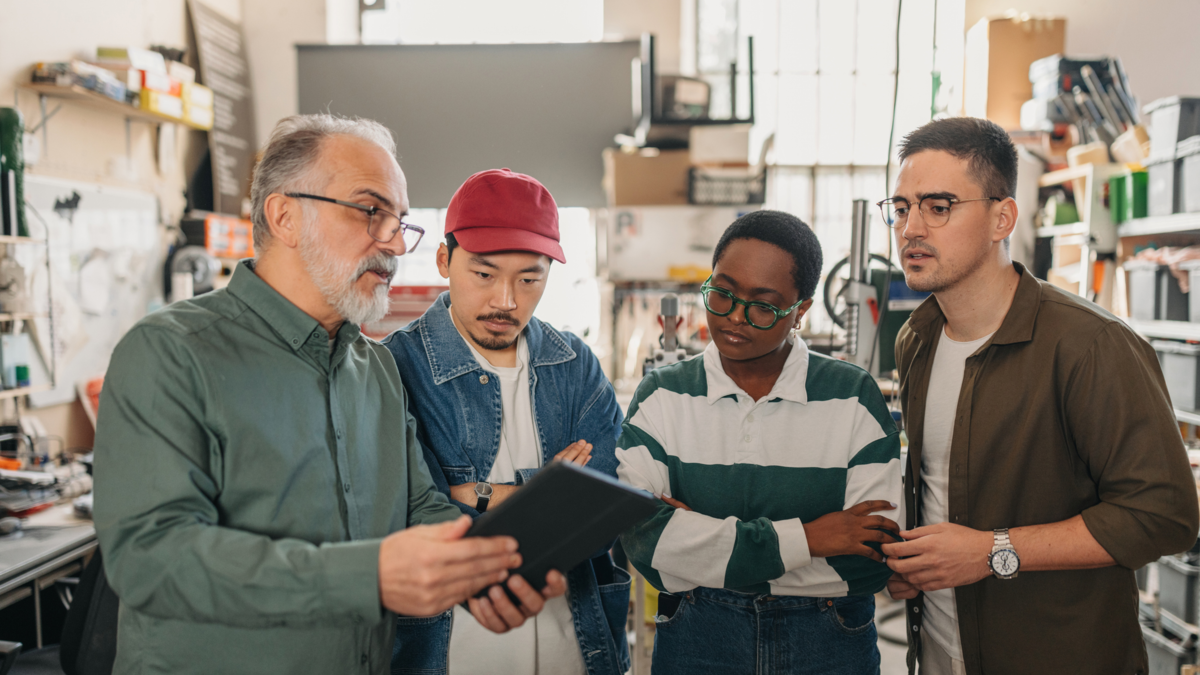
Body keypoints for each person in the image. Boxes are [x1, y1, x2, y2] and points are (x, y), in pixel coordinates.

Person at [93, 116, 566, 675]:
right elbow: (150, 558)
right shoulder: (171, 352)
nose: (395, 243)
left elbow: (418, 509)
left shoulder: (376, 368)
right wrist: (370, 577)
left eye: (400, 222)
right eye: (371, 212)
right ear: (285, 216)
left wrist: (483, 571)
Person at [880, 116, 1200, 675]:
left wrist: (991, 552)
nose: (911, 229)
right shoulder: (918, 338)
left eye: (938, 207)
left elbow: (1163, 514)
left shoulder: (1090, 346)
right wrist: (915, 562)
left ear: (1002, 218)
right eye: (902, 208)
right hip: (937, 650)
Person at [616, 210, 902, 675]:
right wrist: (812, 538)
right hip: (697, 637)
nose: (734, 317)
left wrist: (702, 546)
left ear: (801, 311)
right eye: (722, 293)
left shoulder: (852, 396)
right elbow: (647, 542)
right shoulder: (662, 396)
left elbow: (871, 560)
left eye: (763, 306)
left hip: (828, 639)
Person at [384, 168, 629, 675]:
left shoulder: (574, 363)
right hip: (448, 652)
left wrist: (475, 494)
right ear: (444, 260)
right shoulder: (395, 365)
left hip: (575, 650)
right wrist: (548, 489)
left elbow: (601, 514)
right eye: (484, 274)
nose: (506, 300)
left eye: (529, 278)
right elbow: (408, 514)